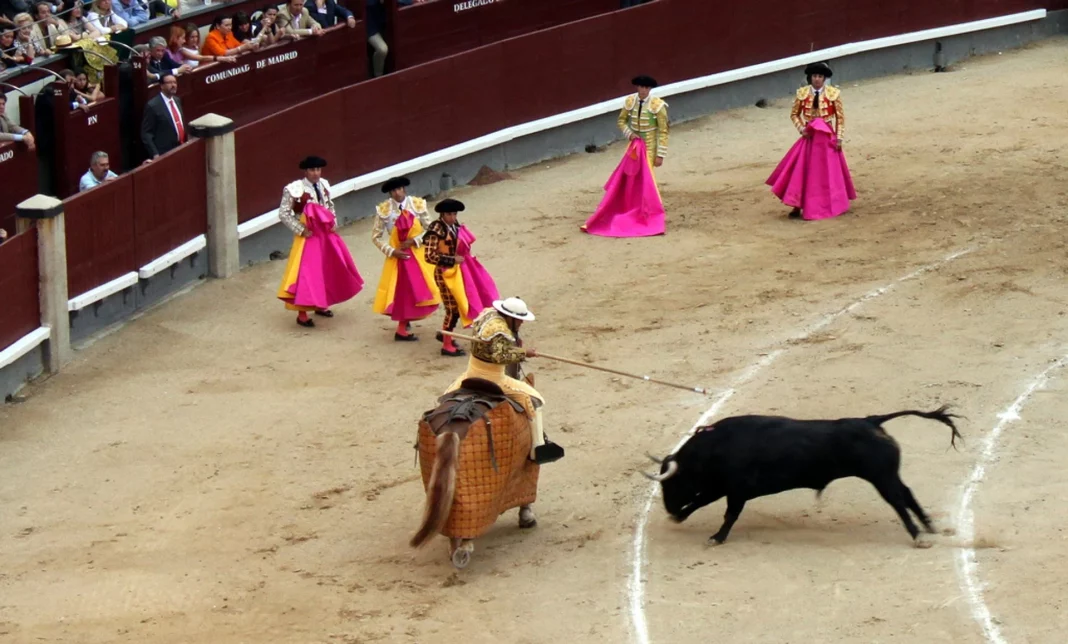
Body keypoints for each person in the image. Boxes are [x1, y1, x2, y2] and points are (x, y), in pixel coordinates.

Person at [445, 298, 565, 467]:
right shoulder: (500, 330)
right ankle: (537, 449)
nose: (522, 322)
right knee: (536, 400)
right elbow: (500, 356)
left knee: (446, 395)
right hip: (493, 377)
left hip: (472, 371)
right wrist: (524, 353)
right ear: (511, 317)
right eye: (520, 319)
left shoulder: (487, 315)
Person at [275, 155, 363, 327]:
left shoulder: (323, 184)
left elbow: (329, 205)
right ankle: (302, 313)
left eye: (318, 170)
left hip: (324, 233)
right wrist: (301, 230)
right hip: (307, 235)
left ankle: (321, 304)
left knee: (325, 268)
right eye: (312, 170)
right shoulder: (294, 189)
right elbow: (283, 213)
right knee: (305, 273)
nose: (316, 173)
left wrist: (333, 222)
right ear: (305, 171)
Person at [766, 61, 856, 221]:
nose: (817, 79)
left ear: (824, 78)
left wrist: (839, 137)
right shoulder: (802, 93)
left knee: (826, 173)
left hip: (827, 136)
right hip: (810, 136)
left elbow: (840, 118)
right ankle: (797, 204)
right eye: (814, 76)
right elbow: (794, 114)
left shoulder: (833, 93)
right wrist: (802, 129)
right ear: (810, 77)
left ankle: (832, 203)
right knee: (803, 170)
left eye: (820, 76)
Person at [422, 198, 499, 357]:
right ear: (442, 214)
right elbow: (429, 256)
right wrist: (451, 260)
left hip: (460, 271)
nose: (453, 217)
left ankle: (445, 335)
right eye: (449, 214)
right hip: (444, 273)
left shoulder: (455, 226)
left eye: (455, 214)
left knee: (463, 303)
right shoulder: (435, 230)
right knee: (453, 309)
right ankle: (446, 344)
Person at [371, 176, 440, 341]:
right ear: (390, 193)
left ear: (404, 189)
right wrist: (391, 251)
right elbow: (376, 237)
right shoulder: (384, 210)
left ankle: (405, 322)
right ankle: (402, 326)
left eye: (399, 189)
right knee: (401, 291)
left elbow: (432, 229)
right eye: (393, 190)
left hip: (418, 254)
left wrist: (415, 240)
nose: (397, 193)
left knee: (421, 287)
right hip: (397, 256)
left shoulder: (417, 205)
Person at [140, 73, 185, 161]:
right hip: (164, 153)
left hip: (180, 147)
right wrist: (155, 154)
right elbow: (146, 133)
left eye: (175, 82)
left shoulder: (177, 100)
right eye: (169, 83)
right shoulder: (153, 105)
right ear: (161, 86)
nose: (173, 85)